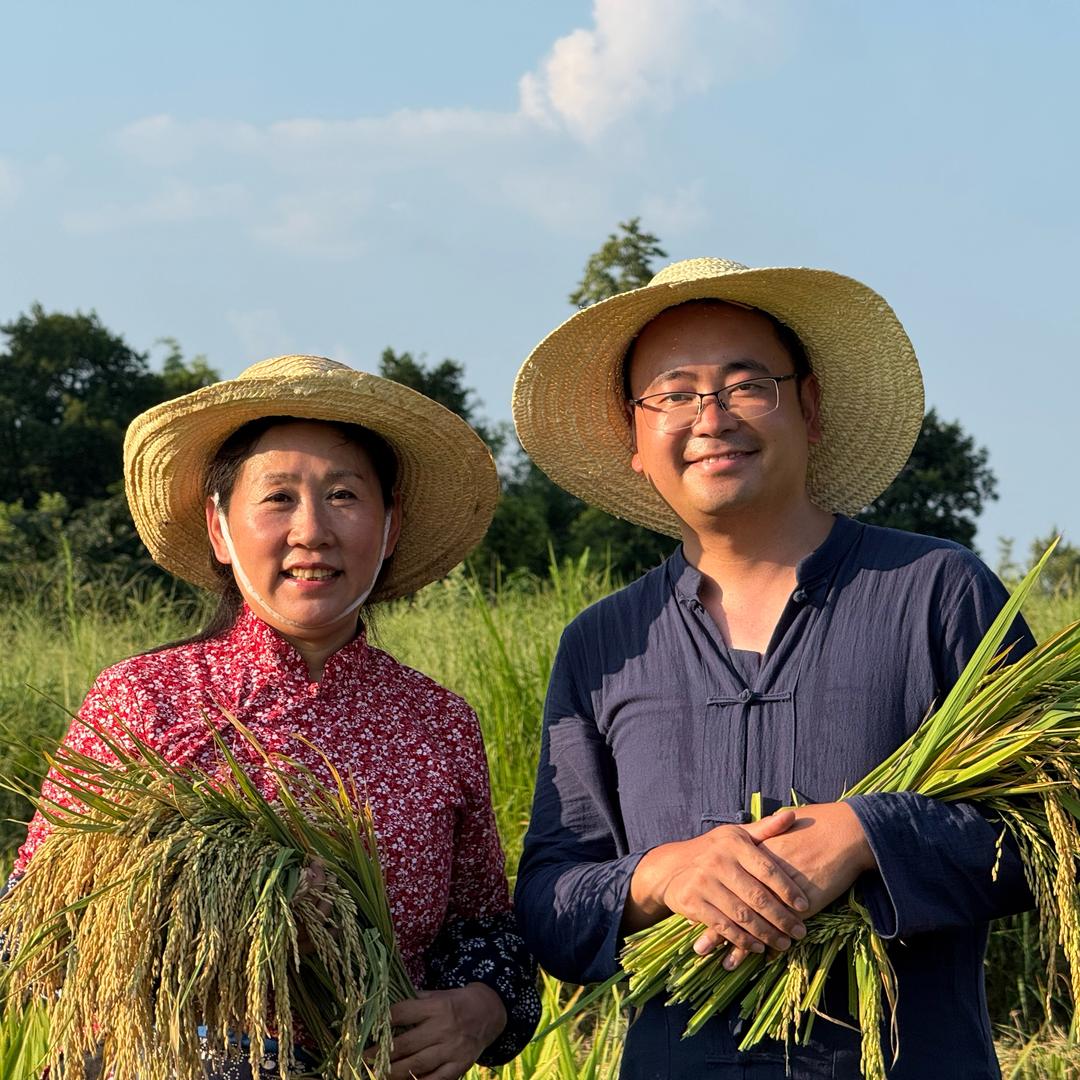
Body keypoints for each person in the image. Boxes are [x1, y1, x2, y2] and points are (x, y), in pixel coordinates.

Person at [511, 258, 1034, 1079]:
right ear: (634, 440)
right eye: (674, 394)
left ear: (812, 407)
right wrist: (661, 875)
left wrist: (868, 834)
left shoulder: (939, 592)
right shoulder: (602, 645)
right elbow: (549, 905)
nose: (711, 417)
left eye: (746, 384)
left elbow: (1051, 828)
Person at [11, 354, 540, 1080]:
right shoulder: (143, 700)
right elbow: (33, 929)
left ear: (388, 531)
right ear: (220, 531)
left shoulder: (437, 722)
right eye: (279, 497)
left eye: (346, 496)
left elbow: (485, 927)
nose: (313, 530)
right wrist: (228, 913)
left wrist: (481, 1008)